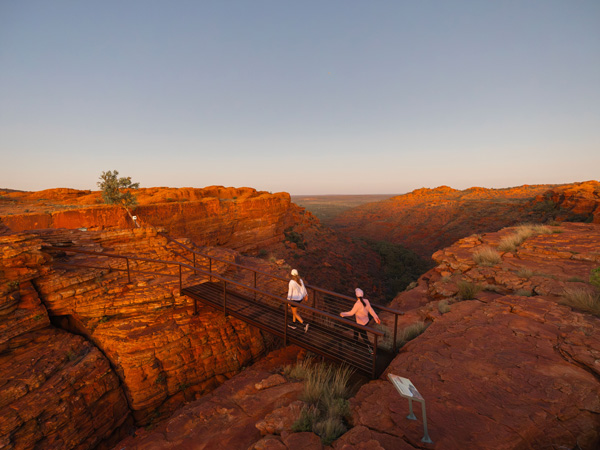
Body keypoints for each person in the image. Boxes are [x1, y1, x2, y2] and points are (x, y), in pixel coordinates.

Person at [340, 288, 380, 354]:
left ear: (356, 295)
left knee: (364, 336)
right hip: (366, 321)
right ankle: (355, 344)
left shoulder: (357, 304)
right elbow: (371, 310)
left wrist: (342, 314)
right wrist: (376, 318)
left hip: (360, 323)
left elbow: (351, 313)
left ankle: (371, 350)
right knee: (355, 331)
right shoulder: (366, 301)